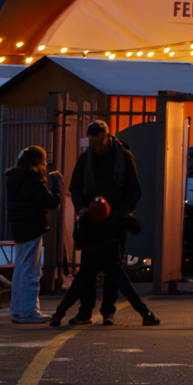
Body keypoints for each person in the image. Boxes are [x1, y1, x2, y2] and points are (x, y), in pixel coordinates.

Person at [67, 121, 158, 325]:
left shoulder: (123, 157)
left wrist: (121, 212)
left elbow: (133, 189)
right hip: (91, 221)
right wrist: (82, 207)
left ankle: (108, 311)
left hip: (114, 221)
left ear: (107, 138)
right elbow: (76, 186)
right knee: (88, 269)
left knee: (113, 270)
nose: (96, 149)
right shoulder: (86, 159)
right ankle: (85, 311)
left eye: (99, 144)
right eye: (93, 145)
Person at [3, 146, 62, 324]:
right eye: (43, 161)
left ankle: (18, 310)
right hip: (33, 227)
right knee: (31, 271)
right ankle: (29, 311)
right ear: (37, 162)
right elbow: (51, 202)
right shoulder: (33, 180)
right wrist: (57, 185)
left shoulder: (14, 179)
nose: (45, 165)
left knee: (20, 269)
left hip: (19, 228)